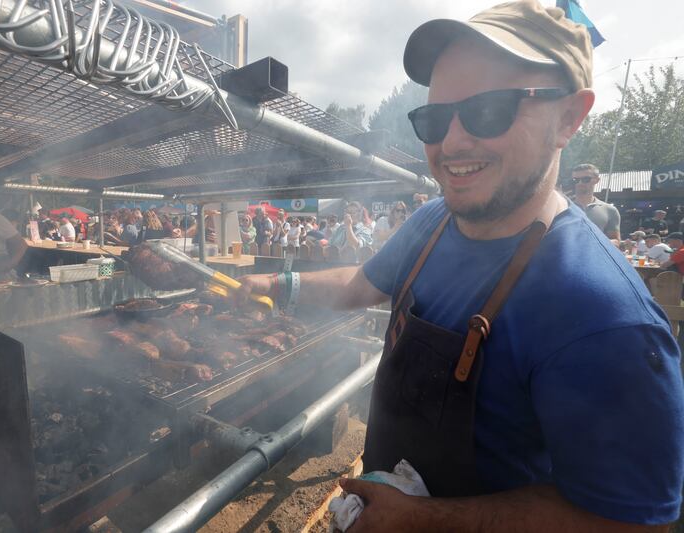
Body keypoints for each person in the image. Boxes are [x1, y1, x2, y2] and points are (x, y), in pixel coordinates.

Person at [238, 2, 684, 529]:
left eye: (488, 110)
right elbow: (361, 284)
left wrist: (425, 521)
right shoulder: (432, 221)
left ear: (568, 117)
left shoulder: (602, 316)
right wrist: (275, 281)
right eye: (434, 118)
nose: (451, 143)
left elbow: (629, 521)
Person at [571, 163, 621, 240]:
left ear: (597, 180)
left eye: (585, 179)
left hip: (594, 252)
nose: (580, 183)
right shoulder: (562, 207)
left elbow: (615, 240)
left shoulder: (609, 210)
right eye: (576, 180)